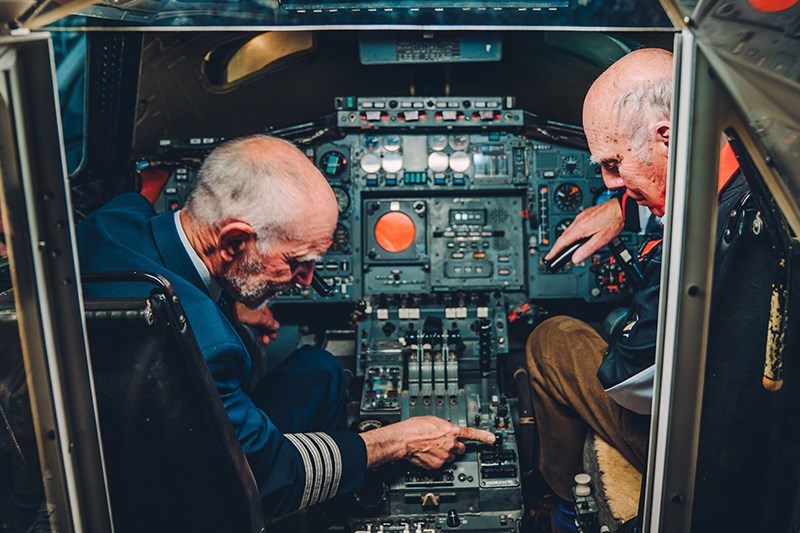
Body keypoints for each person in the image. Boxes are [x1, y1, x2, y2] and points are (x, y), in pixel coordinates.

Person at [76, 135, 495, 517]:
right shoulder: (205, 346)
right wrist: (398, 440)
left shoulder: (118, 218)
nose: (308, 280)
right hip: (167, 497)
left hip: (119, 436)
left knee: (319, 368)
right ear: (234, 243)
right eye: (296, 263)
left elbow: (144, 211)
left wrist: (226, 299)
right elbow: (269, 480)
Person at [525, 48, 748, 529]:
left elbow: (628, 380)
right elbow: (678, 184)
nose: (607, 182)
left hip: (719, 449)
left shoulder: (701, 237)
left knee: (552, 338)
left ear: (666, 136)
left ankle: (564, 507)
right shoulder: (761, 163)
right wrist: (624, 203)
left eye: (611, 163)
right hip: (744, 413)